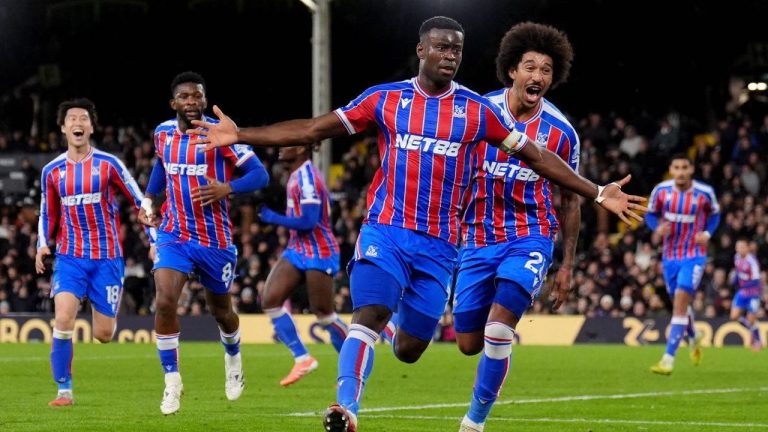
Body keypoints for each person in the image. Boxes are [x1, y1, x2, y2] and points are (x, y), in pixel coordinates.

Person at [189, 16, 645, 432]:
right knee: (368, 314)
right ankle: (346, 409)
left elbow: (538, 158)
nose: (449, 56)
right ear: (421, 50)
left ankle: (430, 370)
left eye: (457, 50)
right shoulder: (385, 99)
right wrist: (241, 134)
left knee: (412, 348)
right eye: (441, 47)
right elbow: (313, 129)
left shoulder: (477, 112)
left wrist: (597, 190)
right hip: (385, 230)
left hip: (443, 247)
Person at [452, 22, 581, 432]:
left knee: (497, 328)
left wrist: (567, 265)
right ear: (512, 70)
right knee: (469, 343)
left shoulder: (561, 133)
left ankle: (474, 422)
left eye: (546, 70)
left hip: (530, 236)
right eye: (530, 67)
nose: (538, 76)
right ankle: (498, 357)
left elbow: (570, 199)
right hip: (476, 238)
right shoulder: (479, 112)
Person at [140, 71, 269, 415]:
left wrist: (228, 188)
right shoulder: (163, 133)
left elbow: (260, 174)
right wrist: (150, 200)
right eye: (185, 97)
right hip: (174, 235)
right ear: (174, 103)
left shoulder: (221, 134)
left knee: (221, 312)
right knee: (165, 301)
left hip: (215, 241)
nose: (192, 102)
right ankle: (172, 382)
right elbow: (161, 164)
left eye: (197, 96)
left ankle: (233, 356)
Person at [36, 98, 146, 406]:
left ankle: (106, 309)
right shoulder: (52, 171)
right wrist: (42, 243)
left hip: (107, 258)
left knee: (103, 334)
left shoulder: (109, 164)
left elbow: (139, 201)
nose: (77, 123)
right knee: (63, 319)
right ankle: (64, 390)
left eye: (83, 118)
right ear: (63, 128)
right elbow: (47, 212)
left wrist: (153, 238)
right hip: (70, 258)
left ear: (92, 127)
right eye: (71, 118)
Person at [258, 144, 348, 386]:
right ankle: (302, 358)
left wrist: (273, 217)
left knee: (324, 314)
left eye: (286, 144)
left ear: (300, 149)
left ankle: (354, 361)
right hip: (298, 249)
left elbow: (309, 221)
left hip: (320, 250)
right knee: (270, 299)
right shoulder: (296, 174)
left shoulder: (307, 177)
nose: (279, 148)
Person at [646, 154, 720, 375]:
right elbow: (650, 214)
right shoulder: (661, 191)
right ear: (671, 169)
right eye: (676, 167)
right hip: (670, 257)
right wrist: (656, 228)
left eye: (684, 168)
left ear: (691, 170)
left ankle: (667, 360)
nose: (680, 172)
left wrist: (707, 233)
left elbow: (715, 215)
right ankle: (694, 336)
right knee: (681, 305)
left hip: (694, 255)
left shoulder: (704, 193)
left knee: (679, 303)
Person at [731, 238, 763, 351]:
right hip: (742, 292)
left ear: (748, 248)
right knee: (734, 316)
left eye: (742, 247)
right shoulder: (736, 257)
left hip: (753, 293)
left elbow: (756, 280)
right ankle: (752, 329)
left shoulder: (752, 261)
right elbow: (739, 273)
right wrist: (734, 280)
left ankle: (758, 341)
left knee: (751, 318)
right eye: (738, 247)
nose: (740, 249)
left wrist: (743, 286)